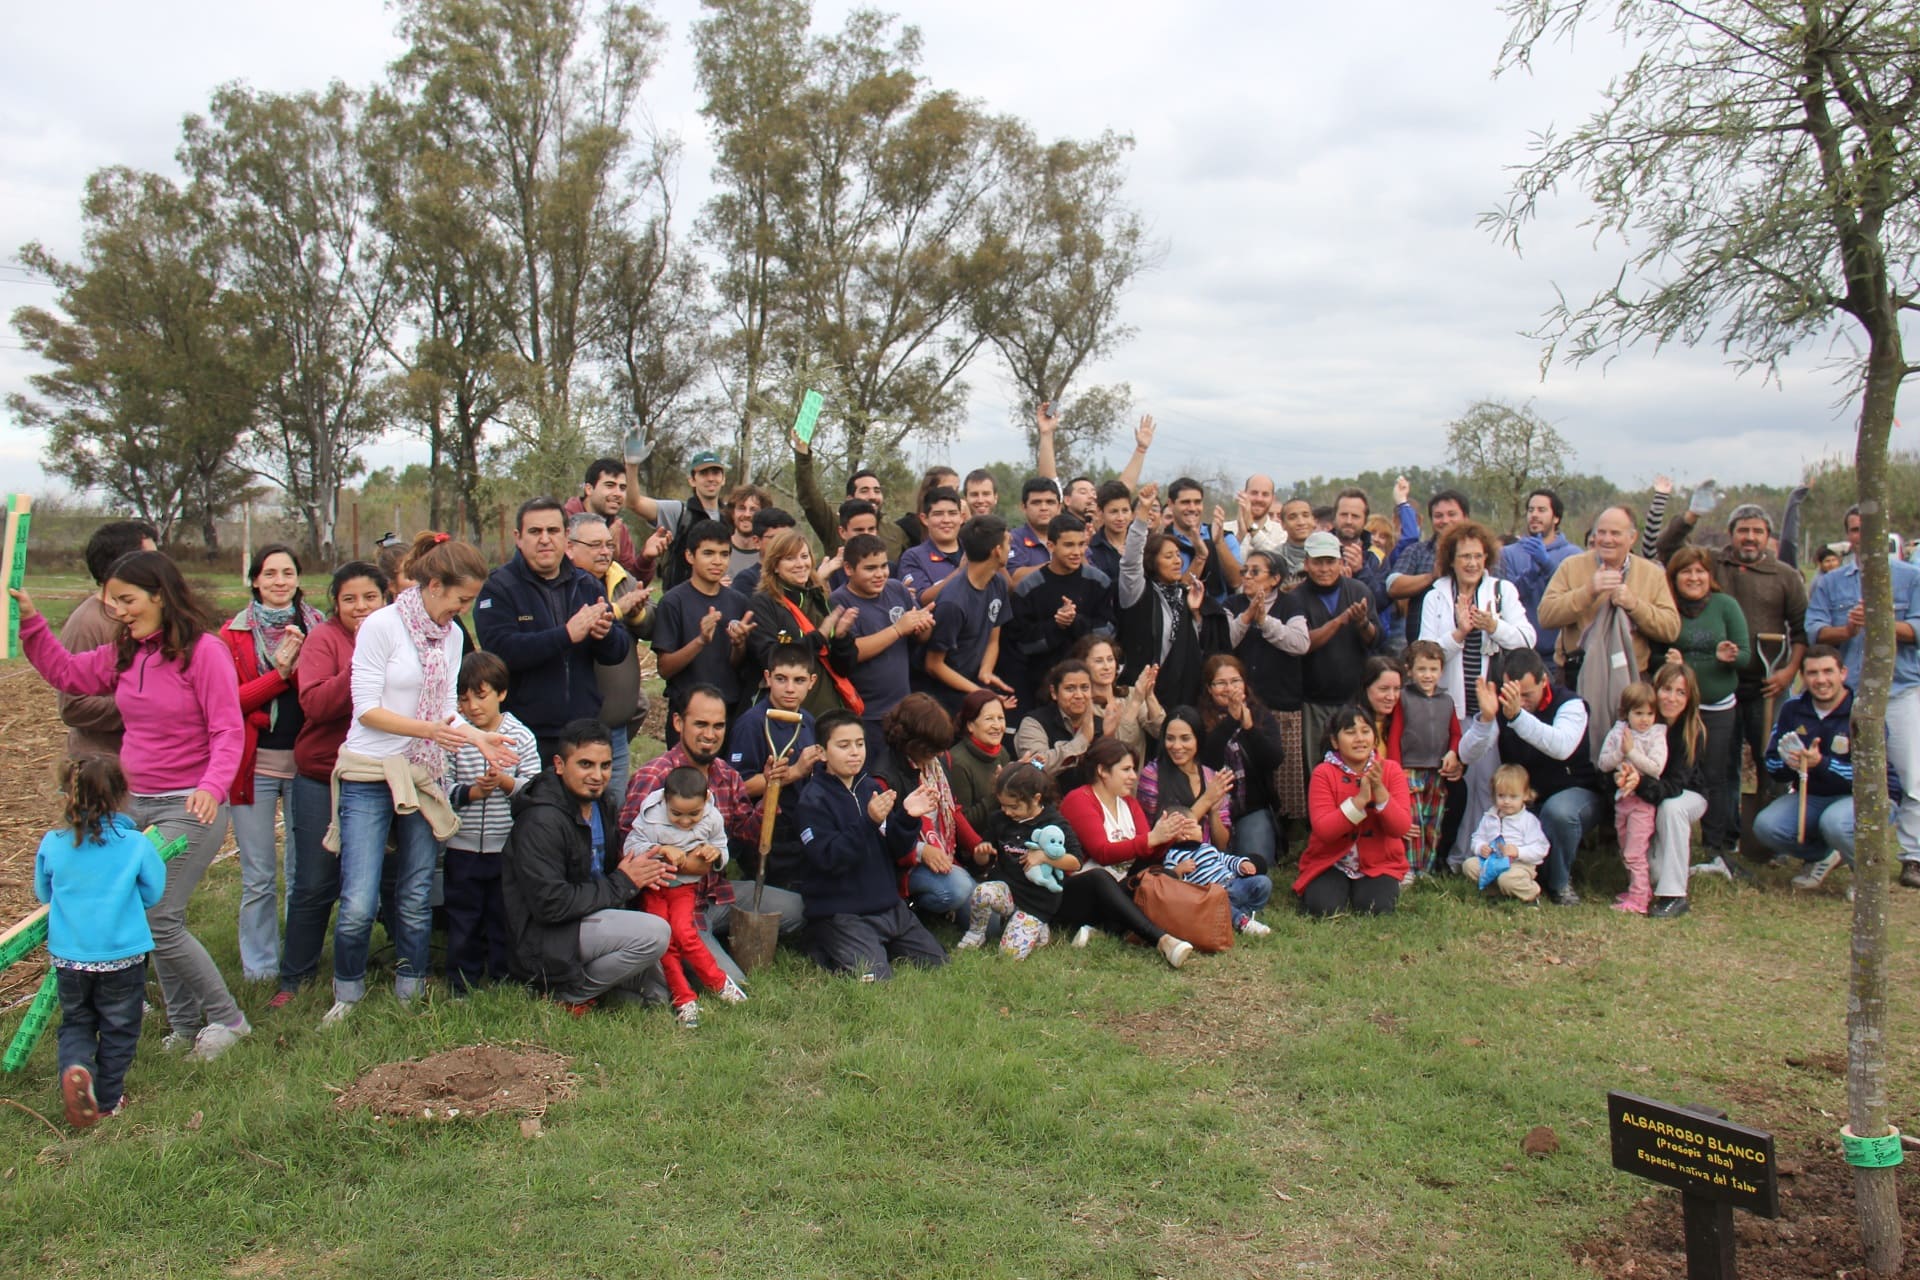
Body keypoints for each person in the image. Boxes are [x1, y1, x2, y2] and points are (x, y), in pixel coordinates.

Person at [12, 552, 250, 1061]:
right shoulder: (125, 653)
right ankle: (184, 1026)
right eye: (111, 602)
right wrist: (31, 621)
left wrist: (212, 786)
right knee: (143, 914)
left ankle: (229, 1020)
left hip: (189, 805)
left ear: (159, 595)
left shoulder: (204, 653)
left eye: (127, 599)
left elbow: (228, 729)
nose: (118, 611)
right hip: (133, 804)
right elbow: (66, 672)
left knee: (161, 918)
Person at [323, 533, 516, 1026]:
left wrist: (477, 738)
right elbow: (366, 710)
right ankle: (347, 991)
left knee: (414, 893)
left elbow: (447, 710)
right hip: (370, 770)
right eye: (461, 599)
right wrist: (429, 730)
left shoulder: (450, 636)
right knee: (359, 899)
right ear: (433, 586)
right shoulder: (381, 626)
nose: (463, 610)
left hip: (422, 773)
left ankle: (409, 989)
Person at [622, 685, 807, 972]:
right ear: (678, 723)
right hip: (672, 905)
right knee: (729, 983)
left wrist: (771, 791)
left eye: (718, 726)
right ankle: (679, 951)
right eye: (701, 724)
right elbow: (628, 851)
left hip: (715, 894)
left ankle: (713, 937)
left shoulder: (727, 776)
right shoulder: (655, 776)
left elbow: (748, 833)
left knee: (800, 909)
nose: (710, 735)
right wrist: (685, 863)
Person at [500, 719, 672, 1010]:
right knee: (655, 934)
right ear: (559, 764)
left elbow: (606, 874)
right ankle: (568, 995)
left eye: (605, 766)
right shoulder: (540, 820)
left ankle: (606, 990)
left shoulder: (602, 804)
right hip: (547, 937)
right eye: (585, 764)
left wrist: (645, 869)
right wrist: (623, 882)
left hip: (590, 919)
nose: (597, 775)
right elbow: (551, 905)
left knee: (656, 995)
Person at [277, 561, 389, 1008]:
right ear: (335, 604)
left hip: (382, 774)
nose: (360, 607)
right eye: (349, 599)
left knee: (388, 879)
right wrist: (361, 662)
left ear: (386, 599)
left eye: (370, 597)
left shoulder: (399, 634)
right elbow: (317, 705)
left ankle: (393, 963)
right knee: (314, 881)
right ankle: (295, 977)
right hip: (323, 774)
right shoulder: (324, 639)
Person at [35, 757, 167, 1128]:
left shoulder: (53, 844)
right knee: (119, 1028)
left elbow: (44, 893)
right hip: (123, 957)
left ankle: (76, 1066)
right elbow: (153, 893)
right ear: (122, 795)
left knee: (77, 1021)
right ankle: (108, 1100)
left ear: (67, 793)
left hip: (71, 958)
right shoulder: (136, 845)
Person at [222, 543, 325, 984]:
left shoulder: (319, 628)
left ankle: (298, 958)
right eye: (270, 574)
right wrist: (279, 673)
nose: (279, 581)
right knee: (259, 874)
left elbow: (323, 692)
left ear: (298, 579)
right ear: (255, 581)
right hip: (254, 767)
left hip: (306, 765)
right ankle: (259, 967)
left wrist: (297, 668)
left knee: (303, 871)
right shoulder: (233, 635)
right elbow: (230, 701)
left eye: (287, 573)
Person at [1805, 504, 1920, 885]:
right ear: (1848, 535)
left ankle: (1913, 856)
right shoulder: (1830, 582)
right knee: (1843, 771)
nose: (1862, 536)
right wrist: (1847, 631)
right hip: (1846, 695)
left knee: (1911, 776)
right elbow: (1815, 630)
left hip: (1899, 690)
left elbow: (1918, 630)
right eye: (1855, 529)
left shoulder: (1911, 578)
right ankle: (1840, 845)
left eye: (1868, 528)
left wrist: (1883, 621)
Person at [475, 498, 633, 765]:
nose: (545, 539)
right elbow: (500, 652)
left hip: (582, 731)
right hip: (524, 735)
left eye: (553, 530)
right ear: (518, 537)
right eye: (535, 531)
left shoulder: (586, 584)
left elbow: (617, 652)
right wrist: (566, 635)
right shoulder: (499, 588)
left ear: (566, 537)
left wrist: (604, 634)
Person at [794, 710, 948, 980]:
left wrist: (908, 817)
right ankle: (823, 942)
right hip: (842, 913)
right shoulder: (813, 800)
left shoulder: (869, 788)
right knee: (875, 978)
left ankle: (876, 943)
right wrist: (869, 821)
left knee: (938, 964)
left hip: (889, 906)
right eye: (844, 745)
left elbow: (898, 850)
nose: (854, 752)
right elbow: (828, 858)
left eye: (859, 743)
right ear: (822, 752)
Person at [1457, 648, 1603, 905]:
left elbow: (1562, 747)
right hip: (1524, 799)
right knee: (1504, 814)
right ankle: (1511, 879)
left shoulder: (1571, 704)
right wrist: (1485, 720)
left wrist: (1517, 717)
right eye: (1514, 694)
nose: (1520, 701)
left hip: (1574, 792)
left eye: (1527, 694)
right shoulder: (1503, 706)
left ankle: (1559, 884)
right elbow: (1468, 754)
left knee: (1558, 813)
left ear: (1544, 681)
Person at [443, 651, 542, 993]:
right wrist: (473, 792)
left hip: (505, 848)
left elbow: (533, 790)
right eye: (463, 699)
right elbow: (441, 787)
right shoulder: (455, 736)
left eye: (480, 696)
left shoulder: (520, 736)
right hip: (462, 846)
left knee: (503, 916)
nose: (472, 707)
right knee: (463, 917)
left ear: (501, 693)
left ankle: (503, 977)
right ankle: (462, 982)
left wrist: (504, 783)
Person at [1052, 737, 1198, 967]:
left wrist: (1168, 837)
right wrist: (1152, 838)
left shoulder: (1129, 803)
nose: (1133, 776)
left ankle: (1105, 931)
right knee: (1100, 877)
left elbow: (1146, 853)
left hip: (1115, 889)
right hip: (1077, 892)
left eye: (1133, 769)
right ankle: (1162, 940)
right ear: (1102, 770)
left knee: (1161, 873)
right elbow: (1102, 852)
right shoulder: (1079, 799)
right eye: (1126, 769)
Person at [624, 765, 751, 1026]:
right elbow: (631, 846)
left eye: (693, 814)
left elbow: (721, 846)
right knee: (666, 941)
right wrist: (661, 849)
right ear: (665, 800)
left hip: (683, 889)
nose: (684, 821)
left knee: (684, 932)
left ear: (706, 800)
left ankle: (719, 983)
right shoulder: (649, 814)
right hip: (655, 886)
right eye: (676, 814)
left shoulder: (712, 818)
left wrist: (715, 854)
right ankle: (684, 998)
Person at [1537, 505, 1682, 726]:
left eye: (1615, 533)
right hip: (1577, 674)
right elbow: (1546, 616)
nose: (1607, 539)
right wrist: (1588, 592)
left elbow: (1671, 628)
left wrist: (1634, 605)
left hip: (1633, 679)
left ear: (1632, 538)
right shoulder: (1571, 566)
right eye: (1601, 532)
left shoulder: (1651, 574)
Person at [1750, 645, 1874, 890]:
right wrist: (1789, 763)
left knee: (1834, 823)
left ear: (1843, 673)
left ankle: (1867, 880)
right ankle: (1823, 855)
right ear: (1803, 677)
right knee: (1766, 827)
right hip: (1813, 796)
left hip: (1859, 796)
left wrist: (1822, 764)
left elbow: (1872, 776)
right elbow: (1772, 762)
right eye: (1813, 673)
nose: (1821, 680)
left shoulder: (1862, 711)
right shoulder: (1792, 709)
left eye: (1828, 671)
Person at [1660, 547, 1751, 875]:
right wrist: (1670, 663)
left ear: (1710, 576)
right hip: (1676, 710)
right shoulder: (1667, 607)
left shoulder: (1725, 606)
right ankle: (1667, 840)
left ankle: (1715, 847)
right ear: (1674, 577)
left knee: (1716, 775)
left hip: (1717, 708)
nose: (1694, 578)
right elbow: (1656, 655)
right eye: (1686, 572)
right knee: (1672, 772)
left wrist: (1728, 657)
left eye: (1700, 571)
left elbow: (1746, 657)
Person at [565, 511, 652, 802]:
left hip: (616, 728)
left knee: (613, 809)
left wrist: (636, 612)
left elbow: (652, 620)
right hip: (576, 730)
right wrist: (617, 610)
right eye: (595, 545)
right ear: (569, 547)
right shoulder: (564, 587)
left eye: (608, 545)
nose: (604, 552)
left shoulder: (620, 577)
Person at [1296, 704, 1413, 917]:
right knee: (1323, 908)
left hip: (1380, 862)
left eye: (1365, 731)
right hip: (1331, 862)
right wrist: (1359, 802)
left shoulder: (1391, 770)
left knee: (1376, 908)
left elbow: (1401, 827)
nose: (1359, 738)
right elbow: (1324, 830)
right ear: (1335, 741)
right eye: (1350, 732)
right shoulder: (1323, 773)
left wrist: (1380, 792)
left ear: (1375, 738)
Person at [1117, 485, 1229, 709]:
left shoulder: (1185, 594)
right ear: (1152, 561)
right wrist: (1142, 512)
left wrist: (1196, 614)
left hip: (1185, 696)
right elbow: (1130, 563)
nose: (1177, 561)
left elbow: (1202, 646)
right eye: (1168, 556)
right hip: (1144, 698)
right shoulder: (1137, 592)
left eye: (1178, 555)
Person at [55, 519, 157, 760]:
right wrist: (146, 705)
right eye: (151, 558)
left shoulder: (153, 615)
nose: (160, 566)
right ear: (122, 565)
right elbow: (73, 706)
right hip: (106, 766)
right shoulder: (87, 624)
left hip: (152, 763)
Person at [959, 762, 1081, 958]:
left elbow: (1075, 861)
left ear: (1036, 798)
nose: (1007, 812)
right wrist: (981, 854)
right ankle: (976, 934)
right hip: (1007, 889)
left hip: (1036, 901)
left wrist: (1044, 857)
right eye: (1003, 805)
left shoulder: (1055, 823)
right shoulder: (999, 820)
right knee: (983, 892)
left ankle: (1037, 929)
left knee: (1009, 955)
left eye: (1014, 807)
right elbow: (982, 862)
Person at [1618, 663, 1712, 918]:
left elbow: (1673, 786)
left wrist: (1639, 783)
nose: (1672, 698)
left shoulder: (1691, 731)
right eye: (1667, 689)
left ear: (1689, 698)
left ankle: (1674, 896)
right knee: (1654, 873)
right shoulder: (1643, 720)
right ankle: (1652, 880)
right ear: (1655, 690)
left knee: (1672, 809)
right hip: (1648, 795)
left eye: (1681, 692)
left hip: (1686, 794)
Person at [878, 692, 983, 918]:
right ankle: (917, 907)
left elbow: (952, 810)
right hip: (905, 866)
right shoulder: (884, 776)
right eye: (931, 749)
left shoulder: (939, 761)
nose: (938, 754)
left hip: (944, 853)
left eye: (940, 748)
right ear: (911, 742)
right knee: (958, 888)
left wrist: (977, 846)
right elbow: (885, 838)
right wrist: (922, 851)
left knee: (988, 917)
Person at [831, 533, 935, 760]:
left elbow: (920, 636)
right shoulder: (840, 601)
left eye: (883, 566)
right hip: (866, 713)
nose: (880, 574)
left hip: (902, 710)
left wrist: (924, 624)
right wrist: (897, 629)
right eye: (870, 568)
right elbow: (852, 651)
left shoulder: (896, 589)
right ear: (848, 569)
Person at [744, 527, 861, 720]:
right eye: (790, 558)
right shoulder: (764, 603)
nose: (800, 564)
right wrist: (818, 637)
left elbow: (844, 668)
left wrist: (841, 639)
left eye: (804, 556)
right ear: (775, 566)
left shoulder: (821, 600)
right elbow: (769, 657)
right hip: (785, 715)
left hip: (829, 714)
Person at [653, 520, 756, 730]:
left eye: (724, 554)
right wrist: (700, 641)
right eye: (708, 553)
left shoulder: (739, 602)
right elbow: (665, 668)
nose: (717, 561)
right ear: (690, 556)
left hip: (728, 709)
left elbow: (736, 665)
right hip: (688, 710)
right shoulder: (673, 602)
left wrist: (739, 645)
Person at [1007, 512, 1115, 708]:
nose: (1077, 552)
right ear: (1051, 546)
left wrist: (1075, 621)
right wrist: (1056, 625)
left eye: (1081, 544)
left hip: (1091, 691)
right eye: (1069, 545)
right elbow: (1021, 642)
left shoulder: (1099, 581)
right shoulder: (1029, 588)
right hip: (1042, 689)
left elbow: (1108, 631)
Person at [1294, 530, 1380, 767]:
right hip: (1313, 701)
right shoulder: (1296, 598)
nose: (1324, 569)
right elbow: (1303, 643)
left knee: (1358, 765)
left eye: (1330, 562)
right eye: (1317, 562)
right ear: (1306, 564)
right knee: (1318, 766)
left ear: (1341, 563)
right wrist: (1339, 621)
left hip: (1354, 699)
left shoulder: (1358, 591)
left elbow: (1375, 639)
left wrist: (1362, 623)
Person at [1195, 654, 1287, 871]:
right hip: (1210, 808)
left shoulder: (1260, 715)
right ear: (1209, 688)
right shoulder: (1199, 718)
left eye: (1235, 681)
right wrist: (1231, 722)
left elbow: (1274, 760)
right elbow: (1207, 761)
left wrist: (1249, 729)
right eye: (1221, 683)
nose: (1229, 688)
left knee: (1254, 867)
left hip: (1250, 808)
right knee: (1213, 868)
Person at [919, 515, 1017, 712]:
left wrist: (986, 671)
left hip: (974, 687)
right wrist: (981, 694)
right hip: (945, 698)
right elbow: (934, 664)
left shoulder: (998, 583)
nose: (1010, 549)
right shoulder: (953, 602)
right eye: (1008, 543)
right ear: (997, 551)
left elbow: (993, 639)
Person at [1389, 640, 1461, 878]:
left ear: (1441, 671)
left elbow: (1455, 734)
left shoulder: (1447, 701)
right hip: (1409, 769)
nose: (1427, 675)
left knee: (1433, 820)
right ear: (1409, 671)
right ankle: (1409, 867)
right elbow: (1395, 735)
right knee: (1413, 821)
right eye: (1421, 669)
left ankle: (1426, 868)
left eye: (1433, 669)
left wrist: (1453, 752)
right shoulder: (1404, 698)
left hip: (1437, 771)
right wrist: (1395, 770)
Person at [1597, 683, 1668, 914]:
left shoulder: (1657, 735)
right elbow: (1603, 763)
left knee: (1635, 852)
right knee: (1624, 847)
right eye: (1638, 713)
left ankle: (1639, 900)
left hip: (1642, 803)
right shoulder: (1618, 733)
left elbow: (1656, 768)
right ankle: (1638, 889)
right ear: (1626, 712)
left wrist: (1631, 752)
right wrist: (1620, 751)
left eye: (1650, 713)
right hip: (1622, 801)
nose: (1644, 719)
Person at [625, 447, 729, 591]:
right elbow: (634, 503)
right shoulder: (679, 512)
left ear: (723, 479)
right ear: (692, 480)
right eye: (704, 473)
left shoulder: (731, 517)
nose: (711, 478)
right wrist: (632, 466)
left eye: (716, 473)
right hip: (680, 601)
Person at [1499, 488, 1582, 667]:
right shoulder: (1508, 554)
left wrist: (1547, 565)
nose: (1534, 515)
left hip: (1560, 655)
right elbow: (1507, 598)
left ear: (1556, 517)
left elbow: (1574, 599)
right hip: (1519, 654)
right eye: (1531, 510)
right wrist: (1531, 573)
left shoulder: (1574, 555)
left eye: (1541, 510)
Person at [1160, 804, 1274, 934]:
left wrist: (1241, 864)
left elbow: (1225, 859)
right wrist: (1178, 871)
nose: (1200, 828)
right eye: (1196, 825)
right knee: (1217, 906)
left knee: (1263, 882)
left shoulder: (1206, 847)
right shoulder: (1173, 857)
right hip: (1212, 895)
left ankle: (1249, 912)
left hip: (1233, 883)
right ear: (1183, 834)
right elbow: (1171, 886)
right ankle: (1241, 923)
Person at [1136, 708, 1235, 848]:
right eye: (1170, 738)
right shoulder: (1152, 775)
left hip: (1207, 857)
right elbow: (1160, 839)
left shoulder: (1210, 777)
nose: (1176, 746)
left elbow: (1222, 845)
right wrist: (1206, 800)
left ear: (1198, 739)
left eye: (1185, 738)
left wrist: (1213, 812)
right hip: (1168, 858)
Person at [1386, 485, 1470, 643]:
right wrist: (1432, 576)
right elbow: (1393, 586)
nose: (1445, 520)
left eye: (1452, 514)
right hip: (1423, 648)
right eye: (1438, 516)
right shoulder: (1417, 551)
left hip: (1471, 644)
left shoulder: (1482, 554)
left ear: (1465, 517)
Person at [1013, 659, 1112, 792]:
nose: (1079, 695)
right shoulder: (1033, 722)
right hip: (1045, 800)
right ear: (1054, 692)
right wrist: (1082, 740)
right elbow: (1035, 767)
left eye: (1084, 688)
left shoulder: (1100, 724)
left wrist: (1109, 736)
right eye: (1070, 688)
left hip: (1090, 799)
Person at [1460, 764, 1549, 904]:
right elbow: (1478, 837)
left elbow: (1541, 848)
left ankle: (1531, 895)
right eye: (1501, 796)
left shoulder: (1528, 821)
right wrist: (1480, 847)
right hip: (1492, 860)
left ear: (1525, 795)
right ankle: (1496, 892)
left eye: (1513, 797)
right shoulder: (1490, 816)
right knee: (1469, 865)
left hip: (1519, 865)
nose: (1506, 801)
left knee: (1507, 879)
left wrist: (1518, 851)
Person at [565, 457, 657, 583]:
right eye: (610, 486)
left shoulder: (619, 528)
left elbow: (630, 584)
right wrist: (610, 556)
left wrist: (646, 558)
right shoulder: (563, 523)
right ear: (589, 489)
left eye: (622, 488)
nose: (618, 494)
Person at [1069, 634, 1166, 752]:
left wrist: (1149, 695)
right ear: (1083, 665)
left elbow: (1162, 732)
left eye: (1110, 659)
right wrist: (1135, 702)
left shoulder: (1131, 693)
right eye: (1099, 661)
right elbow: (1116, 748)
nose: (1107, 667)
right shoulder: (1083, 706)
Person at [945, 690, 1012, 832]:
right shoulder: (958, 762)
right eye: (989, 719)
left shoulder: (1002, 753)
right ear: (970, 725)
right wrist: (997, 793)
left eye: (1000, 718)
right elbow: (963, 823)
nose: (997, 726)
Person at [895, 485, 966, 605]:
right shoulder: (913, 557)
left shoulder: (974, 551)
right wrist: (961, 572)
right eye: (938, 514)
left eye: (952, 513)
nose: (946, 520)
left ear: (962, 518)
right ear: (924, 519)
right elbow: (921, 599)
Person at [1008, 477, 1063, 580]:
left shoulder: (1072, 537)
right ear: (1024, 507)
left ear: (1059, 507)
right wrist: (1054, 567)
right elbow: (1013, 579)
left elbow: (1090, 578)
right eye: (1036, 502)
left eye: (1050, 502)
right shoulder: (1011, 539)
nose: (1044, 508)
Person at [722, 482, 772, 582]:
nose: (747, 514)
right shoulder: (719, 550)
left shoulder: (770, 554)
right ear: (732, 513)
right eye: (741, 508)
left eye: (753, 510)